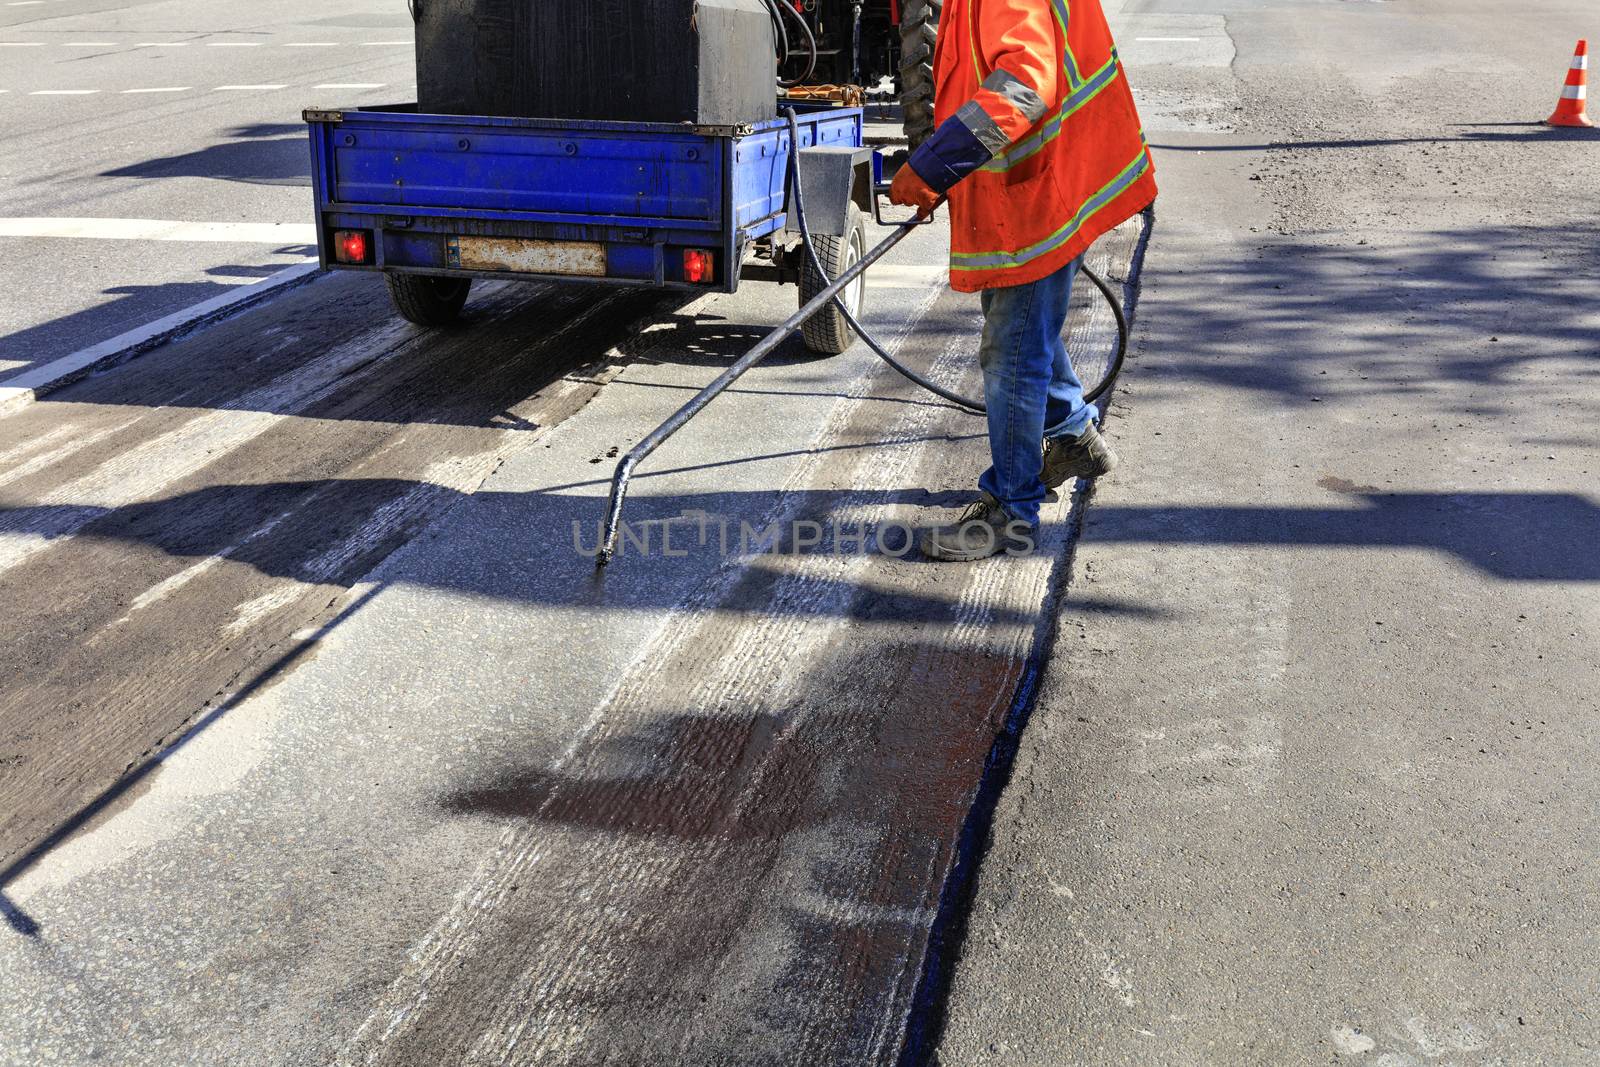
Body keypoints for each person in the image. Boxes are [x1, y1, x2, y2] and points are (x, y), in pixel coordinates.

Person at [889, 0, 1156, 561]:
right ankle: (1072, 435)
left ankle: (1012, 513)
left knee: (1012, 352)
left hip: (1038, 194)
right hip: (1038, 186)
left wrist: (934, 164)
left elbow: (1024, 88)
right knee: (1025, 329)